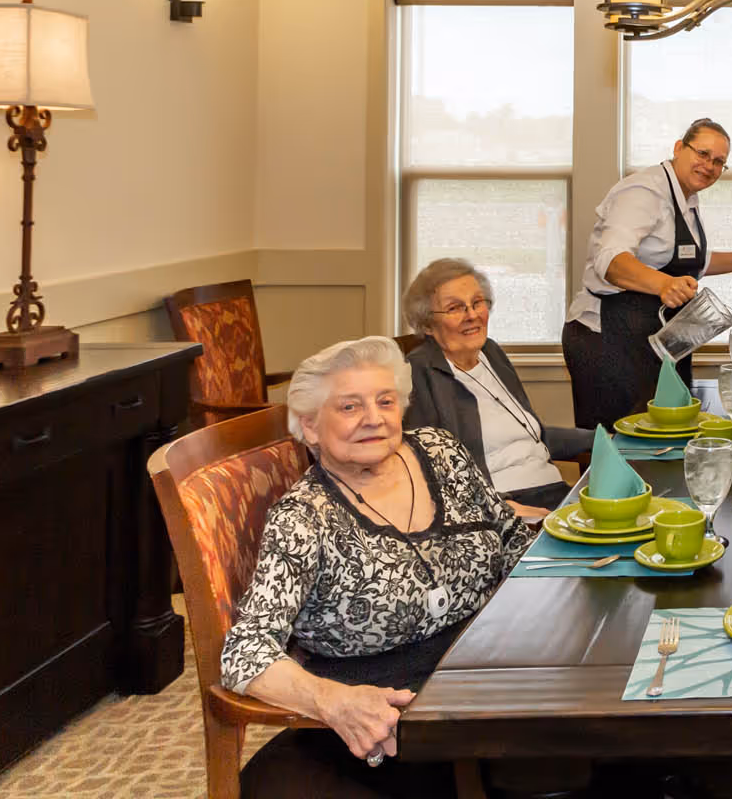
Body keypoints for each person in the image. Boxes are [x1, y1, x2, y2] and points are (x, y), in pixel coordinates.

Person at [221, 336, 532, 796]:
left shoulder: (442, 452)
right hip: (384, 717)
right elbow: (245, 651)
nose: (373, 418)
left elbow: (507, 535)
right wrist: (334, 702)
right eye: (349, 407)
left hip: (486, 673)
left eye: (385, 401)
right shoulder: (304, 518)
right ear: (309, 427)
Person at [561, 119, 732, 429]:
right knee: (621, 445)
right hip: (609, 339)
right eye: (703, 153)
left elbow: (690, 262)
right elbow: (609, 260)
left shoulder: (686, 199)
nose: (709, 166)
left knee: (664, 437)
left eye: (719, 162)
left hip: (655, 339)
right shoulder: (644, 191)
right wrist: (663, 284)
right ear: (678, 147)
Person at [401, 258, 591, 518]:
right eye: (455, 308)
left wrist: (604, 438)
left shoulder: (491, 353)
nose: (472, 315)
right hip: (507, 505)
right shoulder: (418, 373)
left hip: (555, 493)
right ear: (426, 324)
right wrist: (499, 508)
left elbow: (533, 435)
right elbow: (427, 469)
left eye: (477, 303)